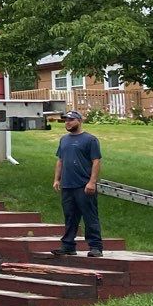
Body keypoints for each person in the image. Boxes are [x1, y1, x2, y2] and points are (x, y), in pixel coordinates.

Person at [51, 109, 104, 257]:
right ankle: (68, 246)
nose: (67, 123)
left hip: (84, 185)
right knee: (70, 216)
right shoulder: (64, 140)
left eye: (71, 120)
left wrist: (92, 182)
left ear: (79, 121)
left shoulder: (90, 140)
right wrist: (57, 179)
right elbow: (60, 160)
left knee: (90, 216)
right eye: (66, 120)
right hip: (67, 185)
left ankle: (95, 247)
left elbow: (96, 161)